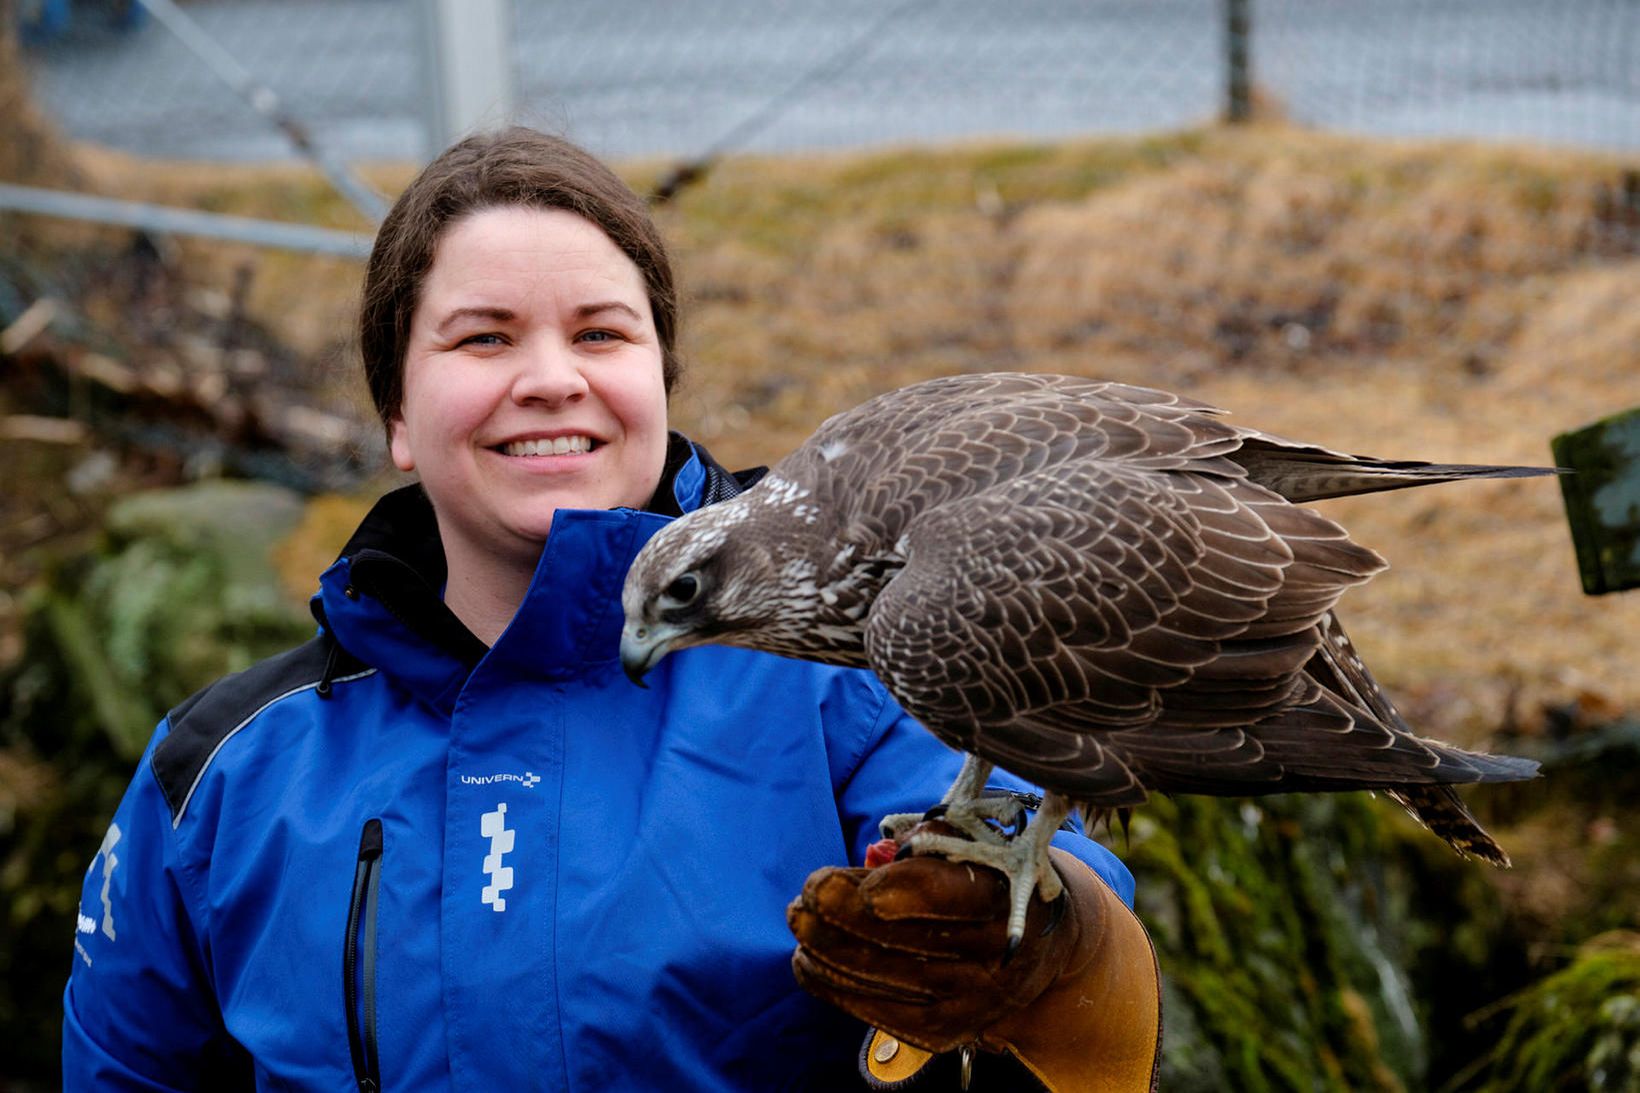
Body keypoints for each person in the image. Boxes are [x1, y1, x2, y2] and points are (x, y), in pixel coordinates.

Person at [62, 127, 1160, 1091]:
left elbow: (1047, 873)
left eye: (599, 333)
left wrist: (1045, 929)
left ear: (659, 380)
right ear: (397, 412)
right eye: (483, 337)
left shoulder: (863, 678)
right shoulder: (216, 774)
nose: (550, 377)